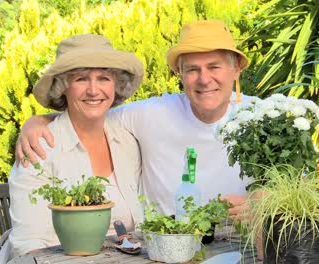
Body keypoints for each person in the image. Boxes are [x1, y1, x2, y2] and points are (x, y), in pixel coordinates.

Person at [16, 20, 252, 219]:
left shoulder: (267, 118)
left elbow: (288, 180)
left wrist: (266, 202)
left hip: (241, 248)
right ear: (180, 74)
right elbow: (87, 115)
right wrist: (39, 122)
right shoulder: (150, 114)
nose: (204, 79)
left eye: (214, 67)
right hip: (164, 250)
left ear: (236, 69)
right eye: (192, 70)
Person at [6, 34, 144, 259]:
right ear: (63, 87)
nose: (93, 90)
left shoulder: (126, 141)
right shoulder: (39, 148)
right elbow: (29, 246)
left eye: (103, 78)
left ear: (116, 85)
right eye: (81, 79)